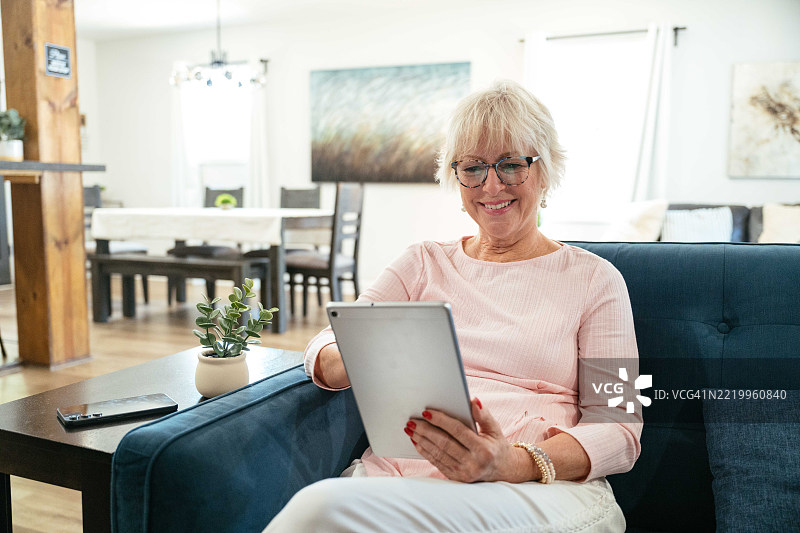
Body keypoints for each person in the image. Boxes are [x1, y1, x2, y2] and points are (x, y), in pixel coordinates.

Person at [264, 80, 641, 532]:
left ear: (544, 171)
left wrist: (511, 462)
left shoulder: (596, 280)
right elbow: (329, 339)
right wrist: (349, 357)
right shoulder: (422, 262)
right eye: (474, 168)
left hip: (534, 490)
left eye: (511, 165)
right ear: (455, 176)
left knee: (320, 509)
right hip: (401, 482)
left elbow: (619, 428)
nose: (492, 185)